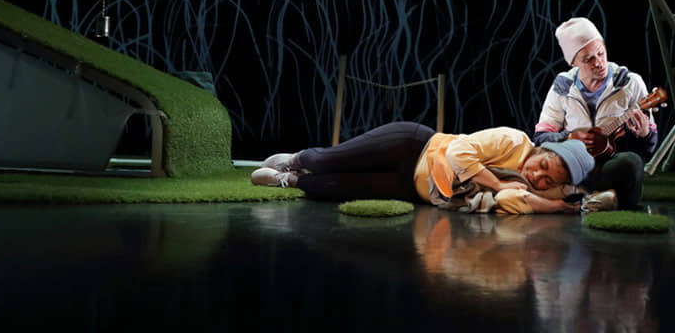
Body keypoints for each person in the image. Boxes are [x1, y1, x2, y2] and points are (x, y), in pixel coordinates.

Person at [249, 121, 598, 215]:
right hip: (414, 145)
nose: (538, 175)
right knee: (327, 159)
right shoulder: (514, 141)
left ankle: (290, 180)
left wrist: (554, 203)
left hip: (413, 190)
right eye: (544, 165)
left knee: (328, 188)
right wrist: (497, 184)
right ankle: (296, 160)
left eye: (547, 179)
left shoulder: (526, 186)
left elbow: (514, 203)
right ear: (546, 149)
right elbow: (460, 152)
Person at [533, 17, 658, 210]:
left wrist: (644, 134)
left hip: (610, 166)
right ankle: (590, 200)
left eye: (601, 53)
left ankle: (606, 203)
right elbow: (541, 138)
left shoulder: (629, 83)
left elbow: (648, 150)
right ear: (573, 62)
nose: (598, 62)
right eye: (588, 59)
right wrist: (570, 137)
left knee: (631, 162)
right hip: (574, 167)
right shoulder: (562, 87)